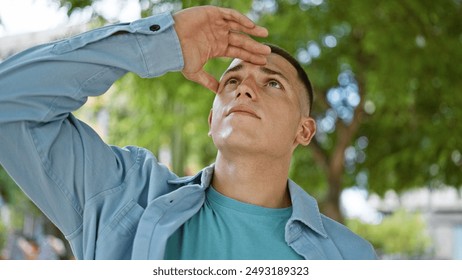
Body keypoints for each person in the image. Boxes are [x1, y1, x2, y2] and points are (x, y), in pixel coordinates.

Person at [0, 5, 376, 260]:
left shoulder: (351, 257)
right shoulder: (124, 198)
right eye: (231, 80)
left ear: (304, 130)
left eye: (273, 83)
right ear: (212, 122)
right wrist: (157, 43)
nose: (245, 89)